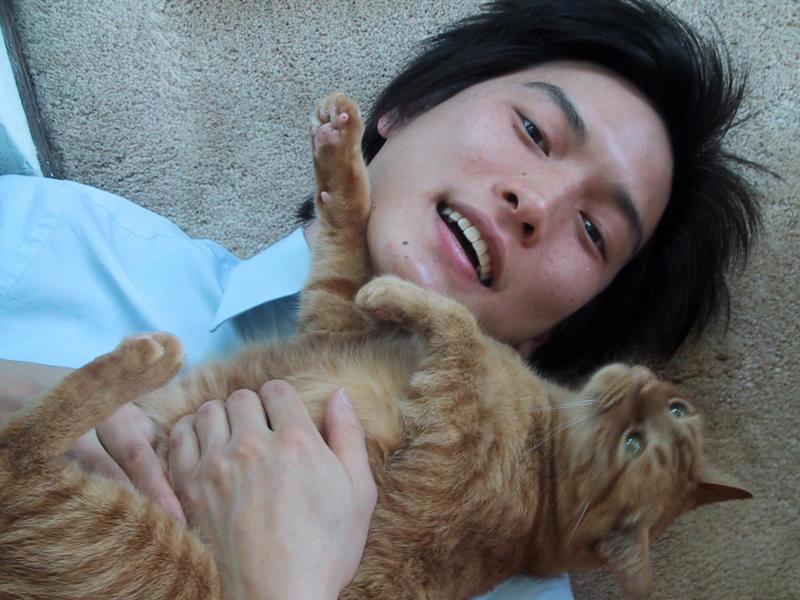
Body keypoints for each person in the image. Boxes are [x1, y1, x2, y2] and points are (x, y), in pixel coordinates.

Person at [0, 0, 761, 598]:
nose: (535, 203)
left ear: (554, 336)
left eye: (593, 231)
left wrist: (279, 583)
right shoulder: (57, 237)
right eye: (534, 130)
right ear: (406, 109)